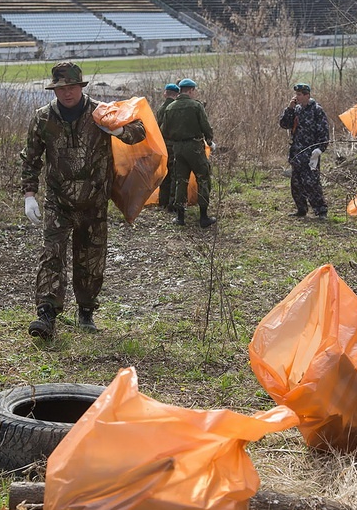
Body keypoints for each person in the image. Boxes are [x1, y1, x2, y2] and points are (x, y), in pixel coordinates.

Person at [21, 61, 145, 340]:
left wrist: (118, 131)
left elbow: (140, 132)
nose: (67, 93)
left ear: (81, 87)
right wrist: (29, 194)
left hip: (94, 202)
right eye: (61, 88)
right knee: (52, 254)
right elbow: (30, 157)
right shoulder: (44, 118)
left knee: (90, 258)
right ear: (54, 90)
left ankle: (86, 311)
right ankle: (46, 314)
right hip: (58, 201)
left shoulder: (101, 113)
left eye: (73, 87)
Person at [160, 78, 216, 228]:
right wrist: (209, 141)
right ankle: (203, 216)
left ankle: (180, 217)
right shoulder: (196, 106)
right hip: (194, 147)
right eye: (194, 90)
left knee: (181, 180)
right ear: (190, 90)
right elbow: (206, 126)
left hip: (177, 148)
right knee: (203, 178)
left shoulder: (170, 108)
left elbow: (164, 131)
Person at [279, 82, 329, 219]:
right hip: (297, 153)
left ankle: (321, 210)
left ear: (307, 95)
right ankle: (301, 209)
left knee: (312, 183)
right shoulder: (297, 109)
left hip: (311, 153)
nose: (297, 97)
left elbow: (324, 134)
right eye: (296, 94)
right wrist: (289, 109)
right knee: (296, 184)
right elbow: (284, 124)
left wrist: (319, 150)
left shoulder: (317, 110)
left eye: (299, 95)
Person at [155, 82, 180, 210]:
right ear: (176, 94)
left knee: (165, 174)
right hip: (174, 144)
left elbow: (157, 126)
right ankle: (172, 203)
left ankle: (162, 201)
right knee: (175, 174)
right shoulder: (176, 107)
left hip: (163, 145)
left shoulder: (160, 108)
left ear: (165, 93)